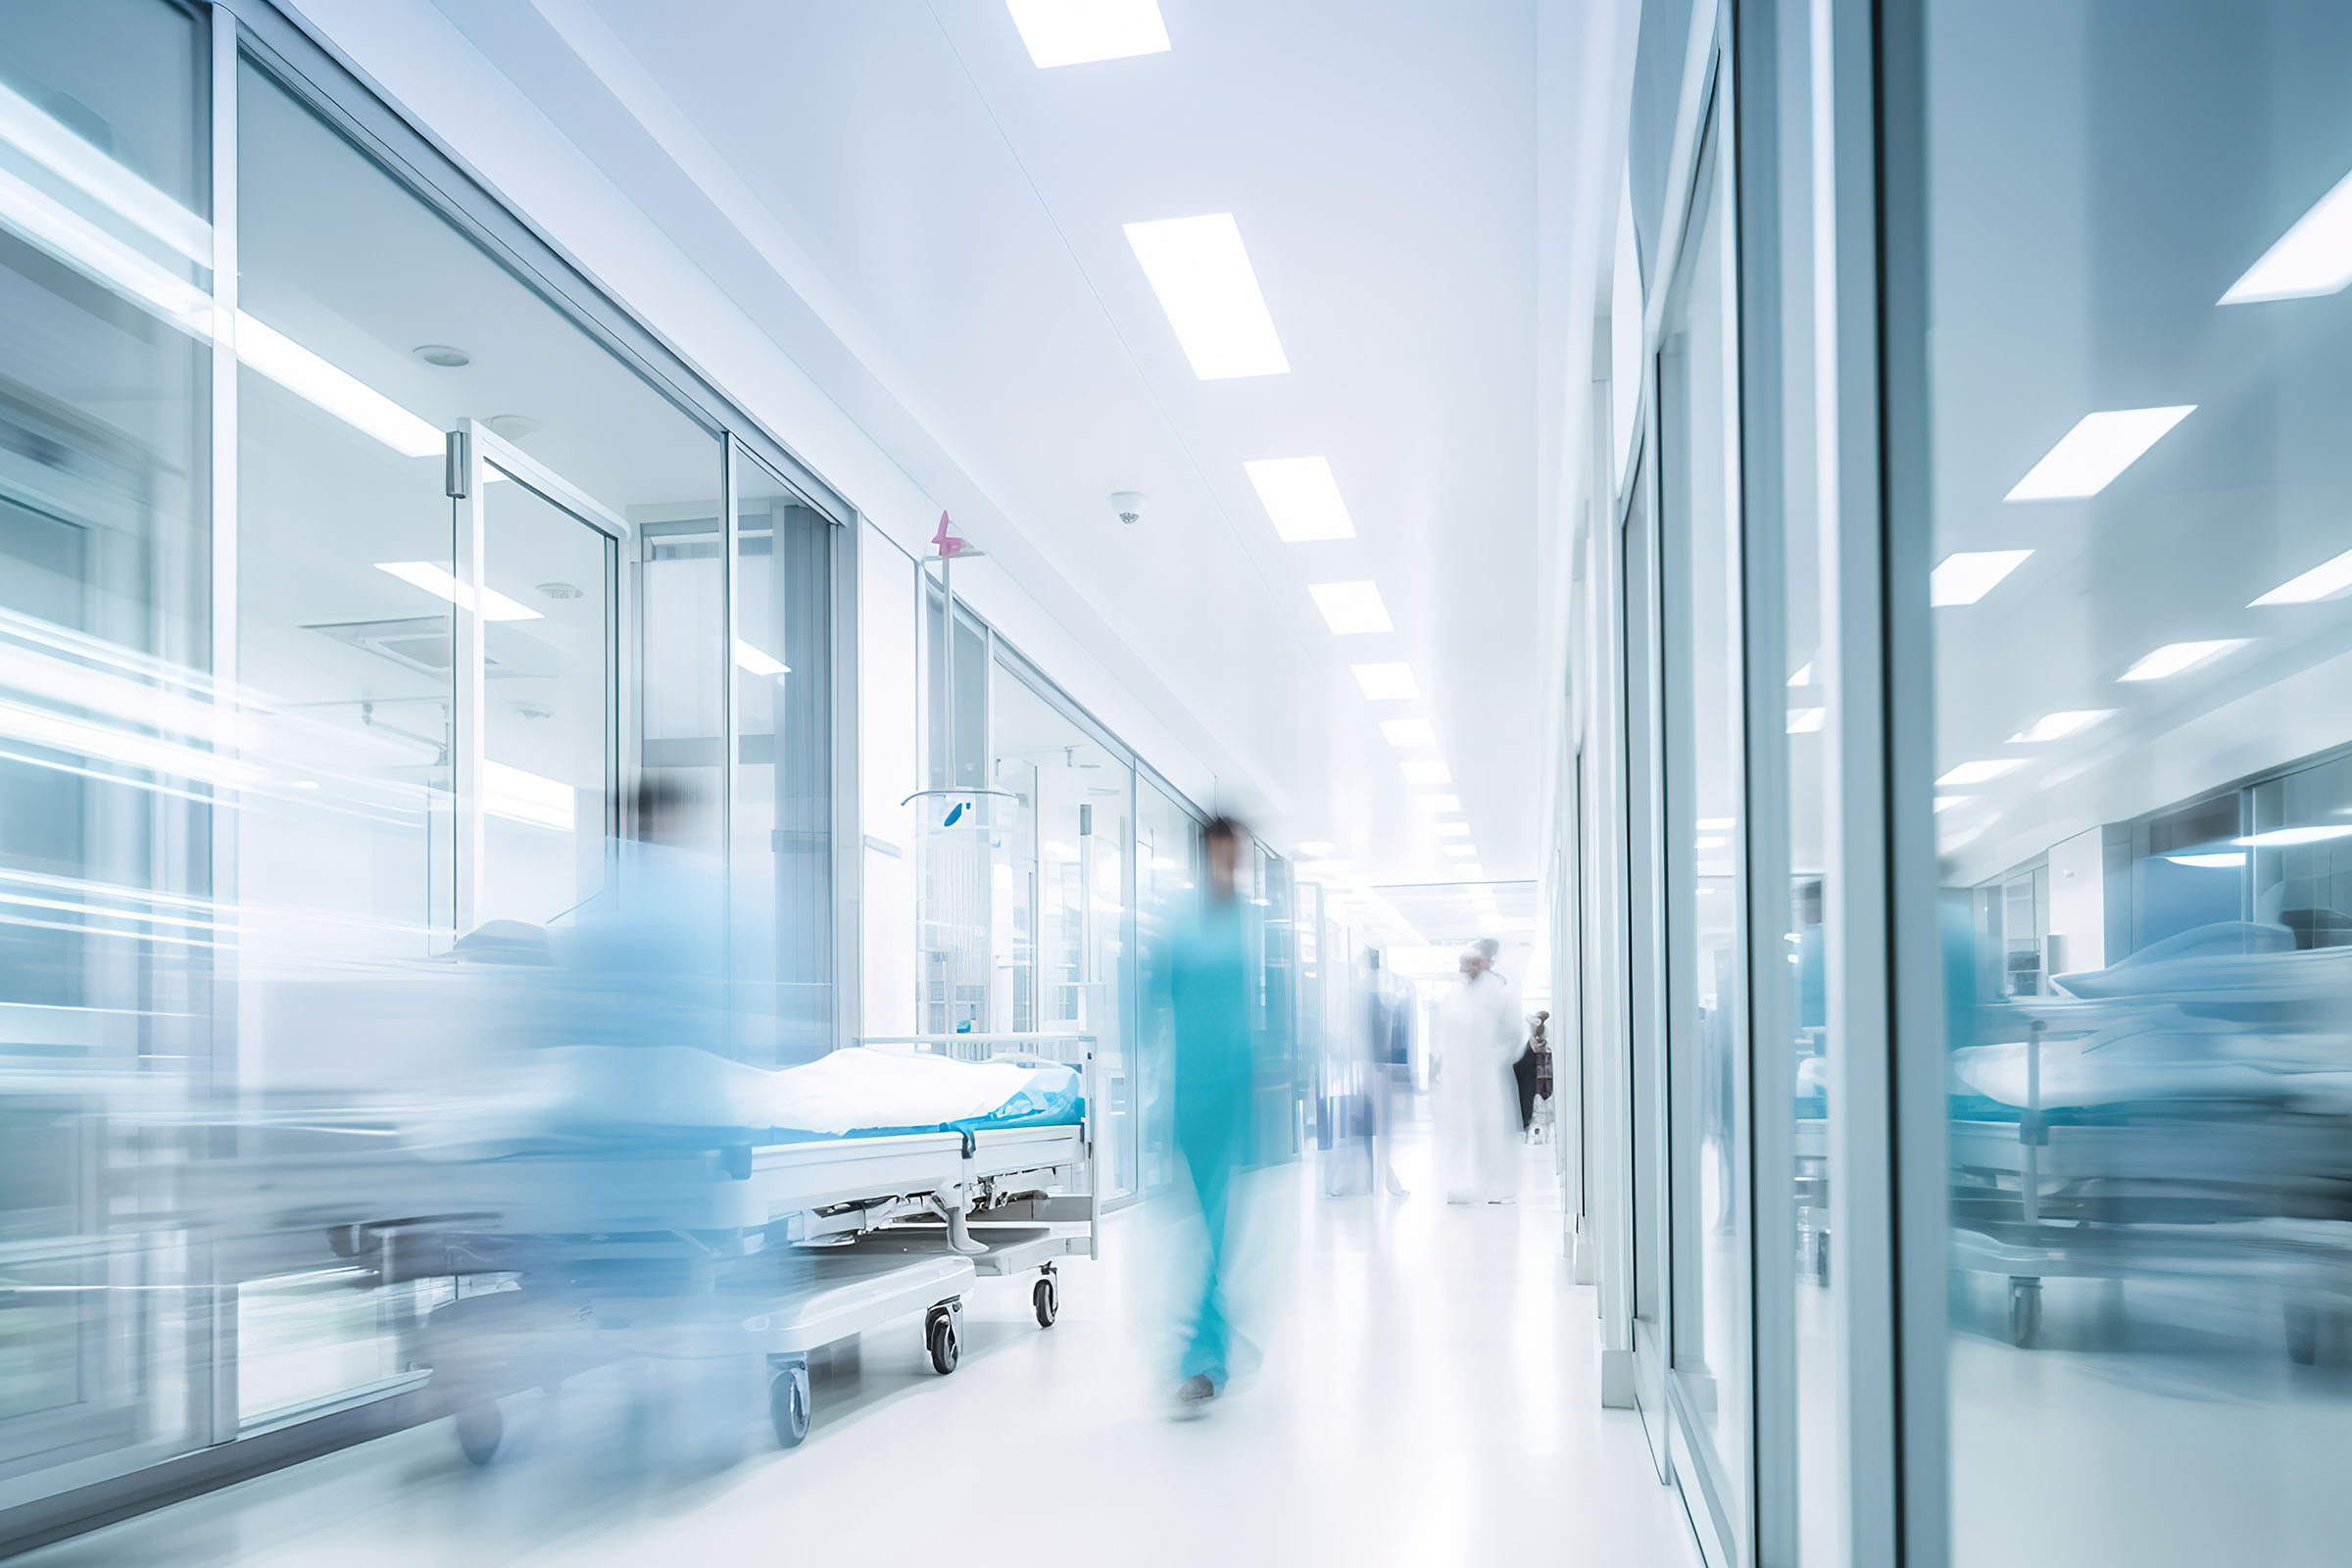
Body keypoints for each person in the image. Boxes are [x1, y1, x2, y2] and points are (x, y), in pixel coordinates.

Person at [1159, 815, 1257, 1407]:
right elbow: (1155, 1003)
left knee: (1219, 1234)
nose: (1230, 866)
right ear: (1206, 855)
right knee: (1198, 1233)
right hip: (1189, 1095)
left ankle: (1205, 1359)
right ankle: (1206, 1353)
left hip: (1233, 1095)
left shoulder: (1248, 924)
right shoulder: (1182, 926)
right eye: (1222, 855)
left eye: (1236, 856)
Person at [1435, 937, 1524, 1203]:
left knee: (1491, 1130)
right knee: (1459, 1130)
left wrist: (1492, 1062)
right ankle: (1461, 1184)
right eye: (1465, 962)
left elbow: (1513, 1035)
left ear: (1487, 962)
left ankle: (1496, 1187)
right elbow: (1445, 1036)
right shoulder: (1453, 998)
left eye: (1476, 961)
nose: (1470, 967)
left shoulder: (1501, 995)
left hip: (1489, 1078)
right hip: (1458, 1079)